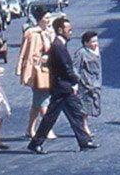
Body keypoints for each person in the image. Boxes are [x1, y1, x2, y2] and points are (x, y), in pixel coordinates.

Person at [27, 18, 98, 154]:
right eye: (68, 29)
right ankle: (36, 143)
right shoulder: (58, 46)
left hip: (62, 87)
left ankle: (84, 141)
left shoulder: (59, 44)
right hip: (61, 88)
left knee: (75, 114)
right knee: (51, 117)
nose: (70, 32)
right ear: (60, 30)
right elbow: (66, 68)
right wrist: (75, 80)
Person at [15, 6, 56, 138]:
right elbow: (24, 52)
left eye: (50, 17)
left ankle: (30, 129)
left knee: (37, 103)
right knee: (43, 100)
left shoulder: (50, 32)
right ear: (40, 19)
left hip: (49, 69)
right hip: (36, 70)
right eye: (46, 18)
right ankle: (46, 129)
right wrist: (20, 67)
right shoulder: (32, 33)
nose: (49, 20)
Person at [73, 30, 102, 137]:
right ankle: (84, 128)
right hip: (84, 85)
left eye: (96, 41)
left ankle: (83, 127)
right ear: (86, 42)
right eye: (93, 41)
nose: (95, 44)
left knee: (90, 105)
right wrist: (77, 82)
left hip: (95, 84)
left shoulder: (96, 51)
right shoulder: (81, 53)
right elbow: (75, 68)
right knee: (83, 107)